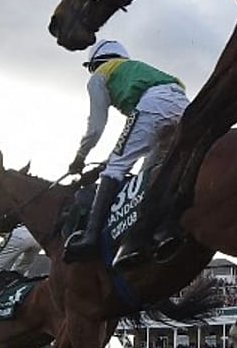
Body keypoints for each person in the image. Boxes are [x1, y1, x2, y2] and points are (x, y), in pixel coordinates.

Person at [63, 39, 188, 263]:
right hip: (183, 104)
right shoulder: (137, 68)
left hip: (152, 104)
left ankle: (90, 238)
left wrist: (79, 159)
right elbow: (133, 141)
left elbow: (95, 128)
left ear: (94, 62)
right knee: (149, 173)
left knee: (116, 168)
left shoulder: (100, 75)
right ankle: (161, 231)